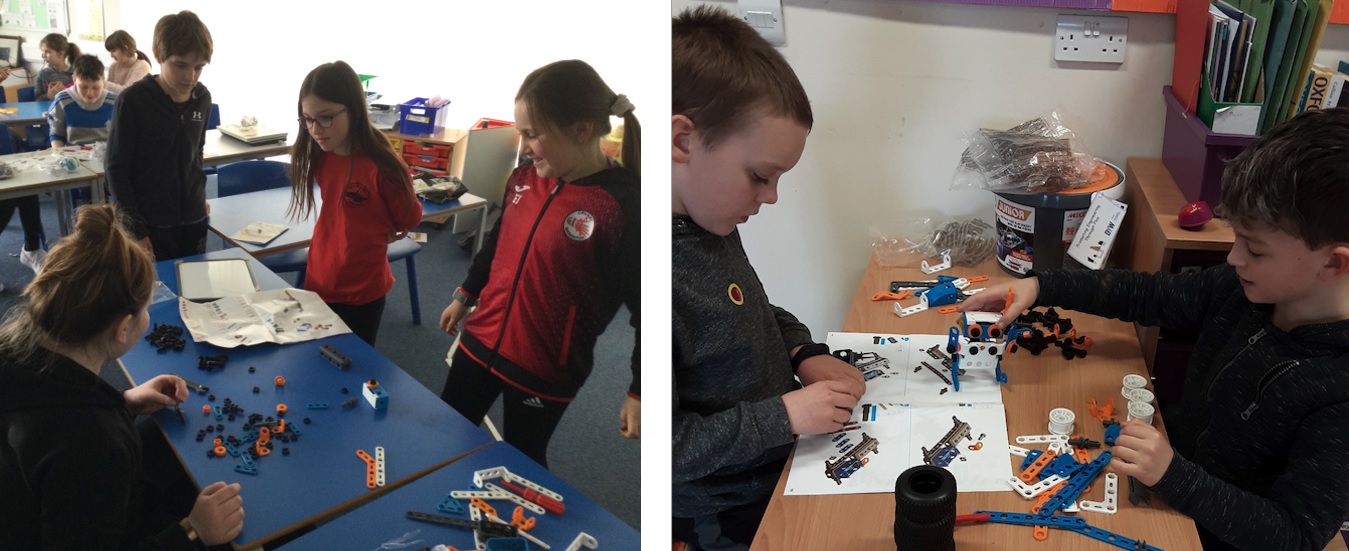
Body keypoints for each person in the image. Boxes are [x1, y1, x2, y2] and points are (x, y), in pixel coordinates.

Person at [960, 107, 1349, 551]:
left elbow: (1294, 537)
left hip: (1212, 530)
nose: (1234, 258)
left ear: (1333, 263)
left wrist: (1174, 475)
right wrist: (1041, 284)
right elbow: (1147, 295)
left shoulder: (1338, 390)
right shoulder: (1245, 288)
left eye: (1255, 249)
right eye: (1236, 238)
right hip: (1164, 472)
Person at [671, 7, 867, 550]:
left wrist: (803, 352)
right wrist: (783, 415)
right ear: (683, 141)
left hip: (778, 464)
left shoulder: (707, 224)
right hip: (720, 511)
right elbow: (668, 445)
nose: (771, 197)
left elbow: (754, 313)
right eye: (760, 177)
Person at [0, 204, 244, 548]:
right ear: (123, 328)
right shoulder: (94, 446)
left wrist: (121, 402)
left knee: (165, 441)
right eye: (145, 309)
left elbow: (56, 406)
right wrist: (191, 531)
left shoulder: (13, 351)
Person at [437, 59, 641, 467]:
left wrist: (641, 389)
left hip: (545, 368)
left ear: (582, 130)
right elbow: (498, 245)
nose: (524, 145)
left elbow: (650, 311)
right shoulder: (524, 179)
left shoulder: (622, 207)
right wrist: (465, 294)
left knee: (522, 464)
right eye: (521, 133)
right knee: (445, 437)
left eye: (533, 134)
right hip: (479, 343)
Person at [287, 60, 421, 346]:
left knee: (354, 366)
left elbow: (409, 217)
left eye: (325, 117)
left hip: (362, 291)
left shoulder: (383, 165)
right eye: (307, 119)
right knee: (316, 355)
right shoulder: (324, 152)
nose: (315, 129)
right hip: (321, 276)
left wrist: (392, 225)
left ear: (354, 109)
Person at [106, 10, 214, 261]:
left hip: (193, 215)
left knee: (195, 286)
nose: (190, 76)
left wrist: (199, 196)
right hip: (151, 221)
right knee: (153, 291)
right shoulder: (133, 101)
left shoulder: (203, 98)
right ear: (158, 56)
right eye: (180, 65)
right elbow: (116, 169)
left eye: (199, 67)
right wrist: (135, 229)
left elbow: (195, 153)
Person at [48, 54, 117, 147]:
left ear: (103, 81)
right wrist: (61, 156)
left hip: (105, 155)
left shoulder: (115, 102)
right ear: (74, 79)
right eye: (84, 87)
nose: (90, 93)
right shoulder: (62, 100)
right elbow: (56, 134)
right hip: (74, 155)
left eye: (96, 87)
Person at [34, 33, 79, 102]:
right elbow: (37, 101)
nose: (43, 55)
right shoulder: (43, 75)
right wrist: (48, 96)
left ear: (60, 54)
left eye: (48, 52)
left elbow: (83, 98)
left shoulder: (77, 74)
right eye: (43, 52)